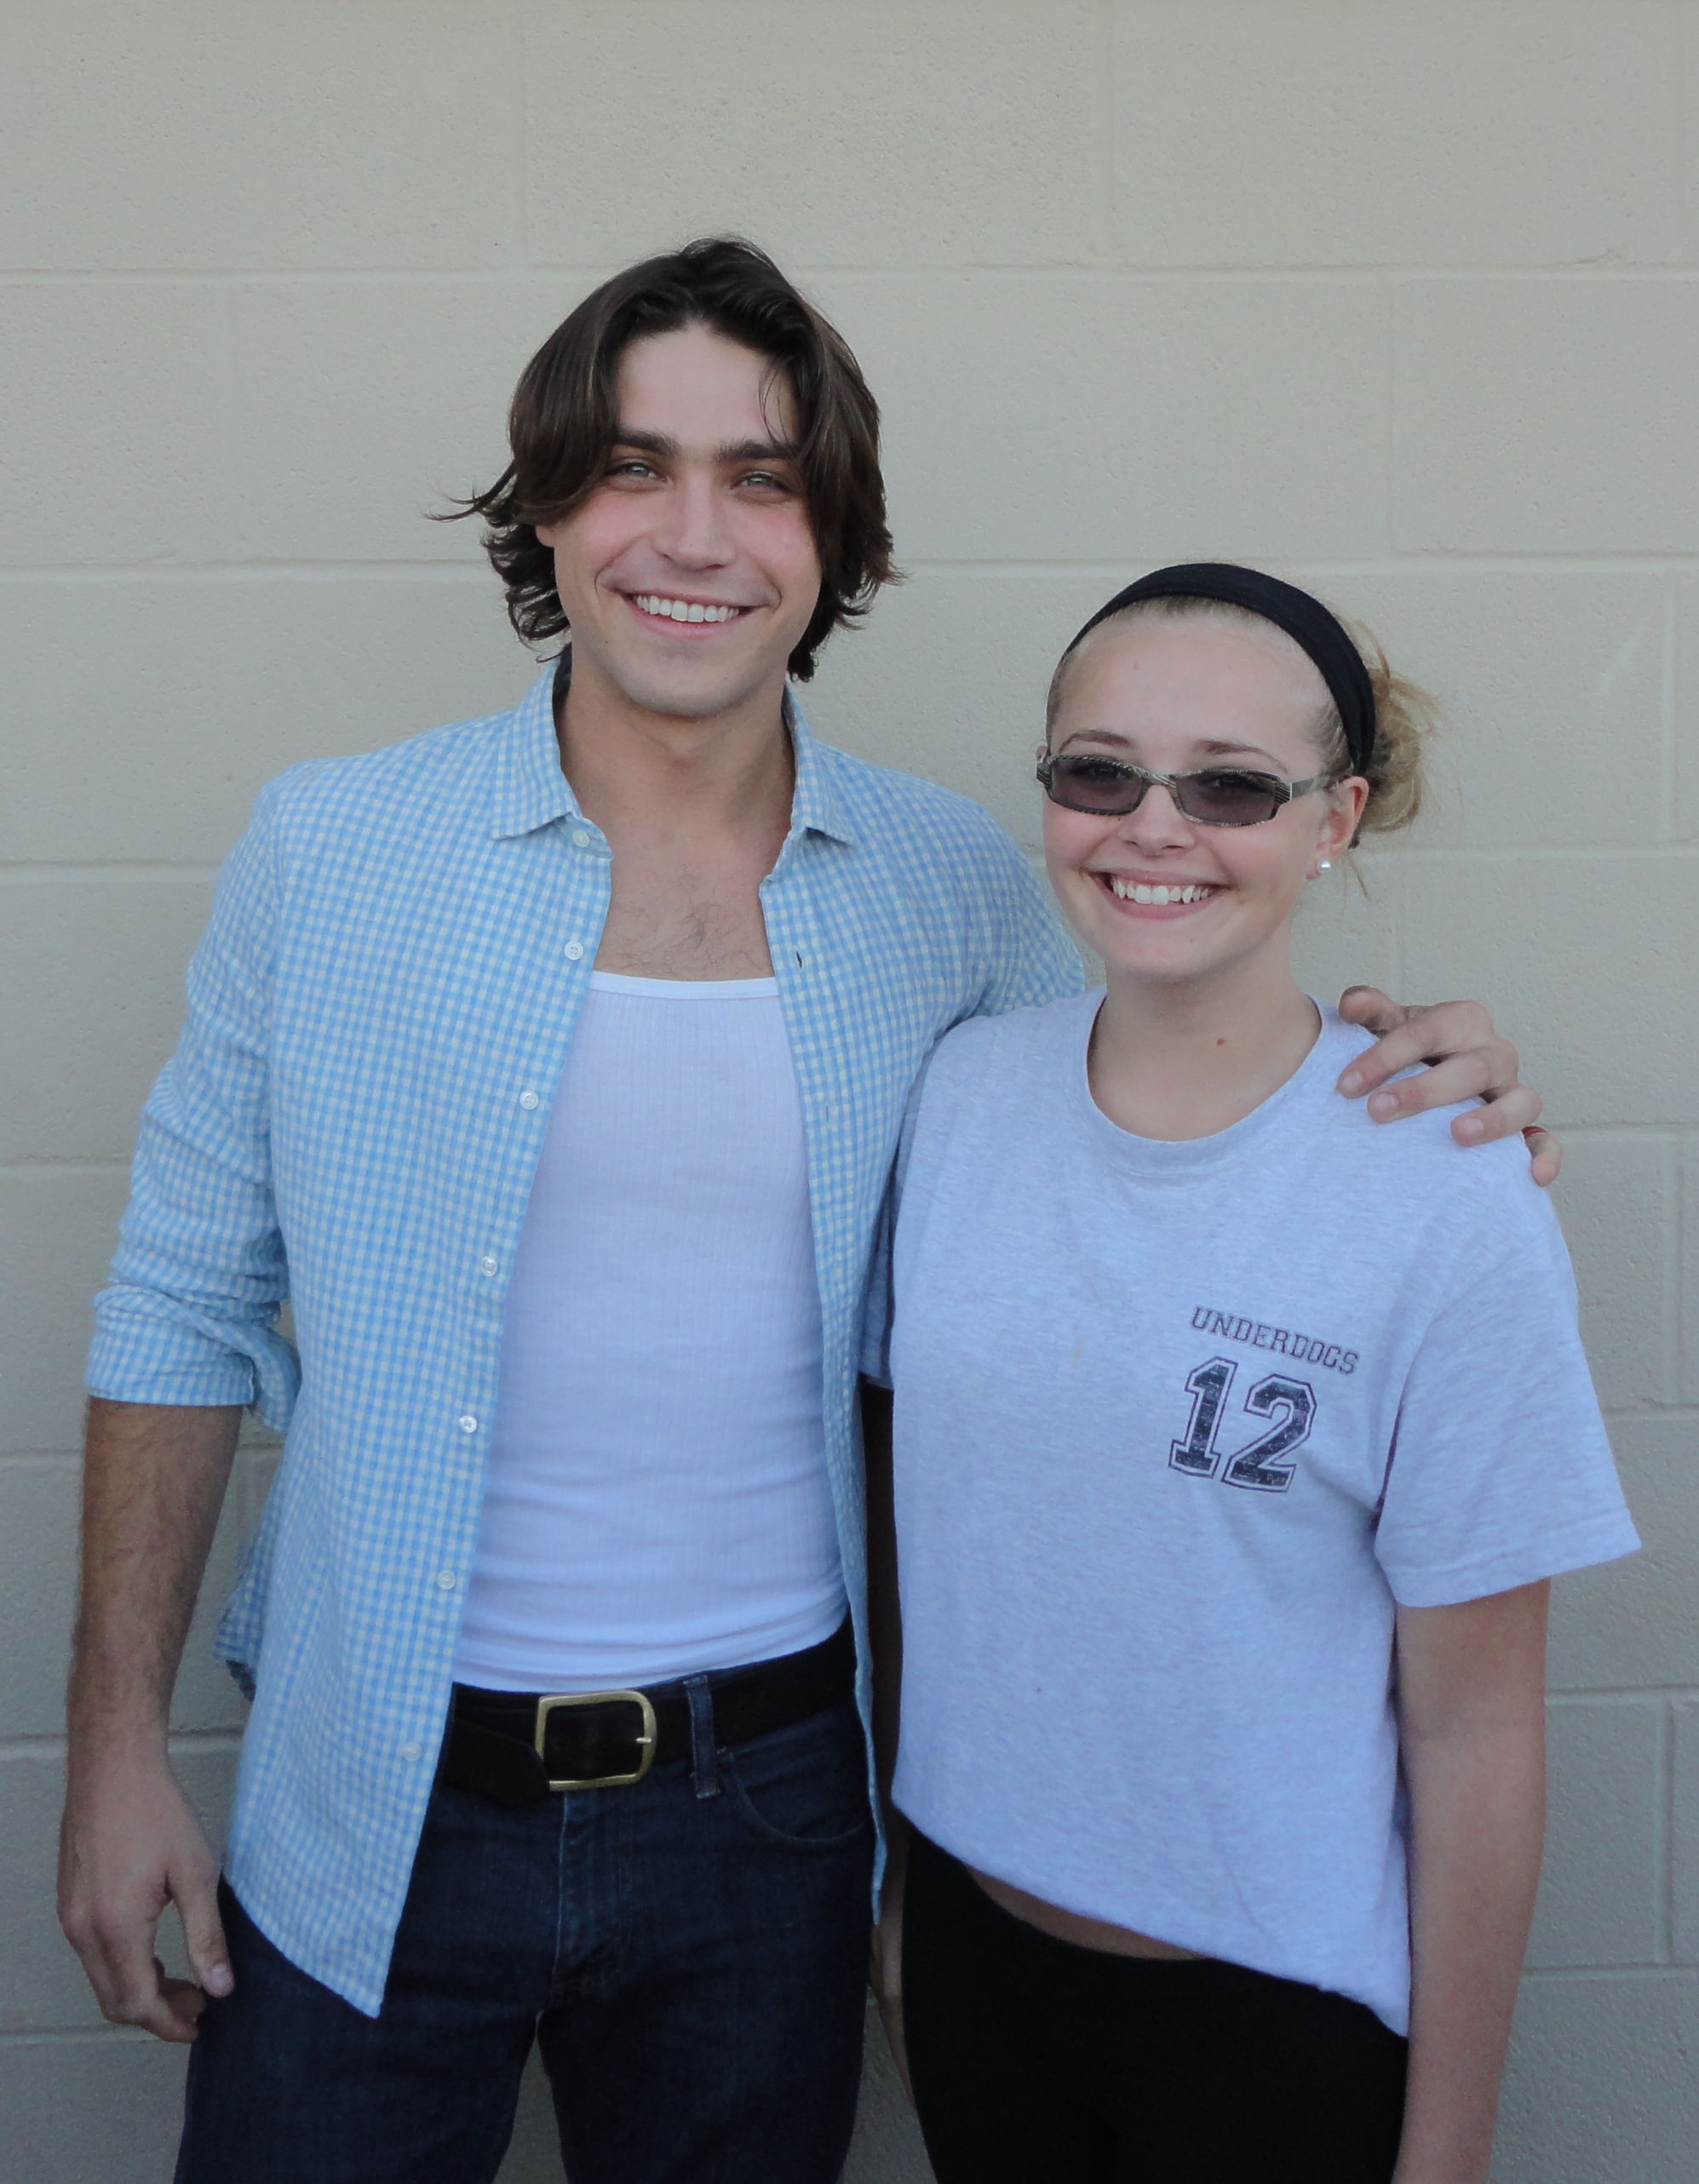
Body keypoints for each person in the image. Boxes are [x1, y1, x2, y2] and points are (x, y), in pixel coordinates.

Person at [59, 245, 1551, 2184]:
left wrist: (1431, 1073)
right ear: (545, 506)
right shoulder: (333, 851)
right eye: (631, 465)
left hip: (768, 1823)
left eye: (762, 477)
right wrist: (111, 1751)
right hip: (371, 1791)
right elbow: (180, 1301)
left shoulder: (953, 887)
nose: (694, 534)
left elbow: (1178, 1078)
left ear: (833, 537)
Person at [864, 564, 1638, 2184]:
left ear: (1333, 816)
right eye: (1099, 771)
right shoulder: (960, 1099)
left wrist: (1448, 2151)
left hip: (1267, 2026)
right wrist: (899, 1899)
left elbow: (1478, 1730)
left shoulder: (1445, 1188)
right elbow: (910, 1525)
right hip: (974, 1968)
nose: (1155, 826)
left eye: (1230, 784)